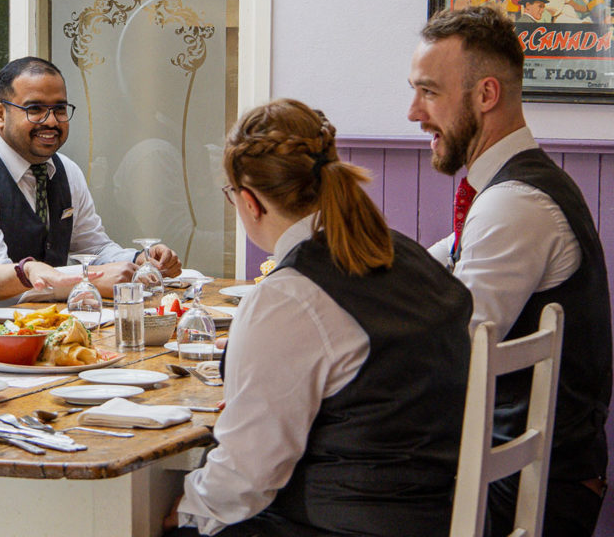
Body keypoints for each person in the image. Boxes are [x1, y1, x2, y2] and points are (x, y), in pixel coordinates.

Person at [165, 99, 472, 536]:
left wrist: (189, 506)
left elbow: (247, 478)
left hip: (342, 524)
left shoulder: (289, 296)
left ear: (249, 201)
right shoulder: (405, 254)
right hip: (433, 515)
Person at [407, 6, 612, 537]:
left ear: (486, 95)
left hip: (535, 493)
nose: (413, 112)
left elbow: (452, 352)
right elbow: (434, 266)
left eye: (429, 92)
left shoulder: (514, 204)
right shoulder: (514, 191)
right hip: (532, 476)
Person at [0, 56, 181, 305]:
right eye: (35, 109)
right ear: (0, 114)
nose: (51, 121)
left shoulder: (66, 170)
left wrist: (138, 259)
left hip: (49, 328)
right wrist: (88, 282)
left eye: (59, 109)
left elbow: (94, 248)